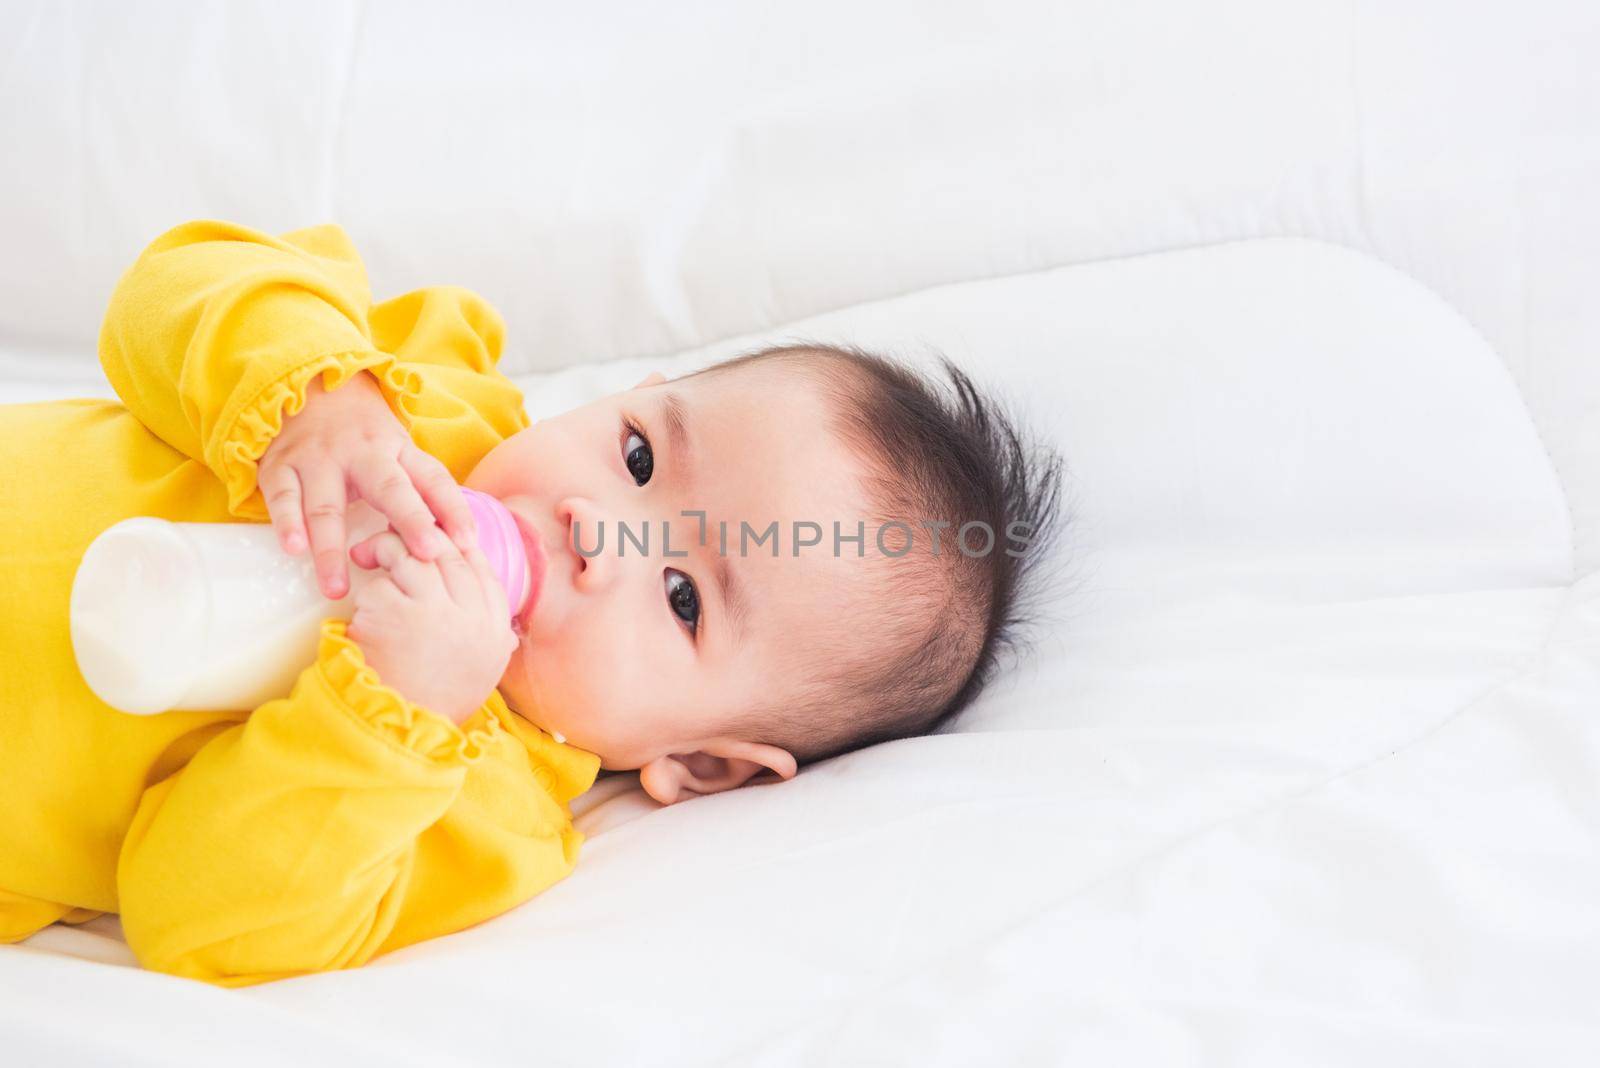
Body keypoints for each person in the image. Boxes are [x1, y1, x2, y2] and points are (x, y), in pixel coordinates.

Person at [0, 219, 1067, 986]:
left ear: (703, 764)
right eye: (639, 454)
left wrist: (385, 722)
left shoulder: (478, 806)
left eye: (685, 598)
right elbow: (182, 276)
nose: (599, 530)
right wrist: (318, 395)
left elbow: (200, 919)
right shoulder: (432, 397)